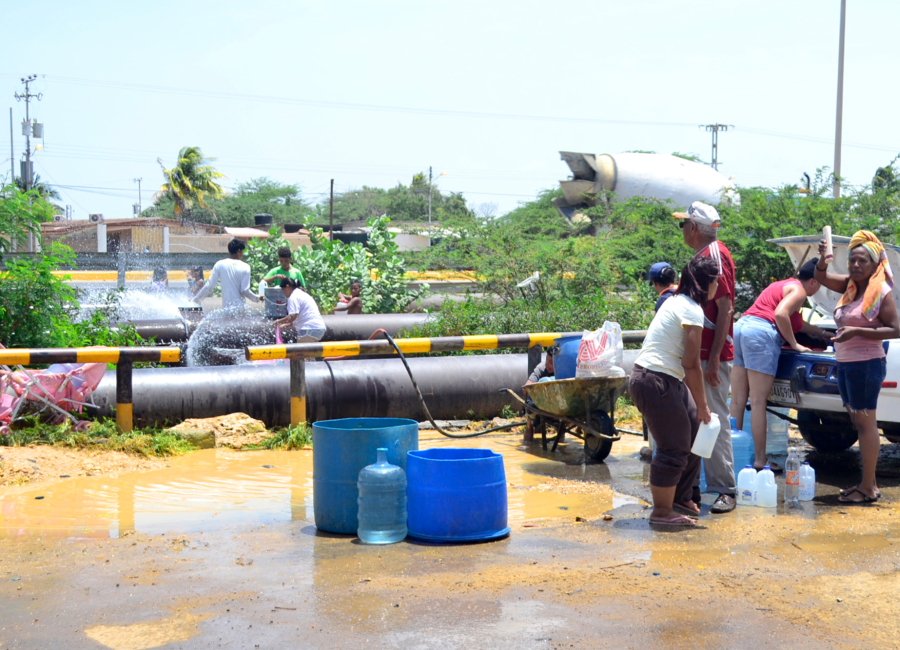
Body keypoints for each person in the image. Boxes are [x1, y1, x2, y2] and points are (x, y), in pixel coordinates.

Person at [629, 256, 720, 528]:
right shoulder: (690, 309)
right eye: (717, 282)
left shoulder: (678, 302)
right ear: (708, 284)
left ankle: (679, 498)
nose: (718, 287)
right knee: (674, 447)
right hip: (655, 380)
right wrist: (704, 405)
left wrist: (699, 410)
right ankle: (661, 511)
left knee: (693, 430)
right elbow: (691, 363)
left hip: (666, 379)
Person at [815, 230, 899, 504]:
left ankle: (868, 487)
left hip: (866, 364)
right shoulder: (851, 286)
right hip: (847, 363)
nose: (856, 265)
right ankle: (867, 484)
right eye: (852, 260)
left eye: (862, 261)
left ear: (875, 265)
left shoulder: (881, 292)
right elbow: (820, 278)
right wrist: (822, 260)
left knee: (866, 425)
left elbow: (896, 329)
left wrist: (856, 332)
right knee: (857, 421)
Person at [730, 258, 831, 470]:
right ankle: (760, 460)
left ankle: (731, 458)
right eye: (820, 282)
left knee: (738, 400)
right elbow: (780, 314)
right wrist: (795, 345)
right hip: (760, 333)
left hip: (741, 328)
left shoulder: (781, 285)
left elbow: (799, 324)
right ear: (813, 281)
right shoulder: (800, 291)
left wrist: (822, 333)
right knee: (758, 402)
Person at [674, 201, 737, 514]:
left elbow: (725, 306)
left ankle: (725, 488)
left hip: (711, 354)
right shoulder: (703, 255)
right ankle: (694, 486)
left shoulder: (714, 254)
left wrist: (713, 359)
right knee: (696, 417)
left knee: (714, 418)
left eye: (684, 224)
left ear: (695, 228)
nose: (682, 230)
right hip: (697, 352)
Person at [192, 238, 260, 309]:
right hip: (240, 309)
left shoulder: (220, 264)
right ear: (239, 251)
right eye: (242, 251)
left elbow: (209, 286)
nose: (243, 254)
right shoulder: (245, 266)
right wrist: (257, 298)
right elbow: (245, 291)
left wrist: (195, 300)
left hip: (226, 308)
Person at [274, 278, 327, 342]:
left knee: (302, 351)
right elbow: (301, 318)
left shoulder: (293, 297)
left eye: (283, 289)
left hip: (308, 329)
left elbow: (292, 316)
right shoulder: (301, 294)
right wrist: (285, 325)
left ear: (287, 287)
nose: (283, 293)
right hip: (318, 328)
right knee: (310, 351)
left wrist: (278, 321)